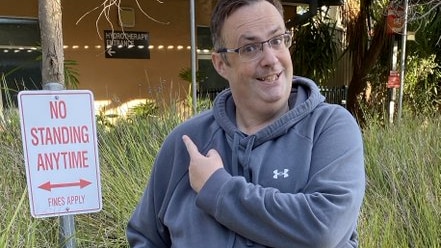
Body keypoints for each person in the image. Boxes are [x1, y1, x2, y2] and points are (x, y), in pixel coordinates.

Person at [126, 0, 365, 247]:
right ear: (220, 64)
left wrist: (217, 188)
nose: (270, 59)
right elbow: (145, 236)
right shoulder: (188, 143)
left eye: (276, 40)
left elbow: (323, 229)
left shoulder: (328, 128)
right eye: (250, 48)